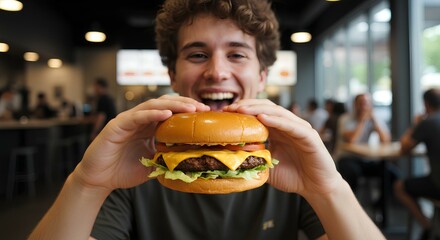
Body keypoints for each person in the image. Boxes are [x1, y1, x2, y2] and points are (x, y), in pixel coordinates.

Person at [29, 1, 385, 239]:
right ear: (172, 74)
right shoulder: (136, 164)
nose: (217, 71)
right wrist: (87, 184)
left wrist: (327, 189)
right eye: (197, 54)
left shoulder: (291, 163)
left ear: (262, 75)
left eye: (236, 54)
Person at [337, 93, 400, 208]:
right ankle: (350, 207)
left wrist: (374, 119)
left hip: (365, 159)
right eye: (361, 103)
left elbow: (386, 140)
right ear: (355, 105)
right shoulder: (345, 118)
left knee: (391, 174)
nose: (364, 106)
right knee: (352, 173)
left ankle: (379, 206)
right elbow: (351, 140)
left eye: (367, 103)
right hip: (347, 158)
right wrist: (361, 121)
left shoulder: (373, 118)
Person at [394, 88, 440, 239]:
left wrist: (416, 124)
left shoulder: (428, 122)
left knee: (399, 187)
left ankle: (427, 226)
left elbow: (404, 148)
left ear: (426, 104)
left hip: (437, 186)